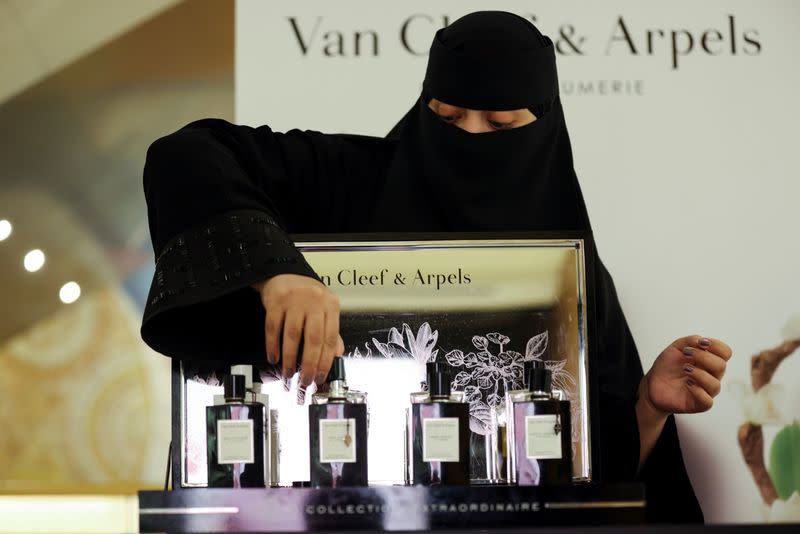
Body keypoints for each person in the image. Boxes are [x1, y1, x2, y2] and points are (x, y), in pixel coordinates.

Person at [141, 11, 731, 522]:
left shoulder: (566, 272)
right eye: (448, 118)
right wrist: (278, 272)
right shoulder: (351, 181)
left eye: (501, 126)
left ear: (544, 128)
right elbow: (186, 154)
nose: (472, 137)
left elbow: (598, 475)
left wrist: (650, 406)